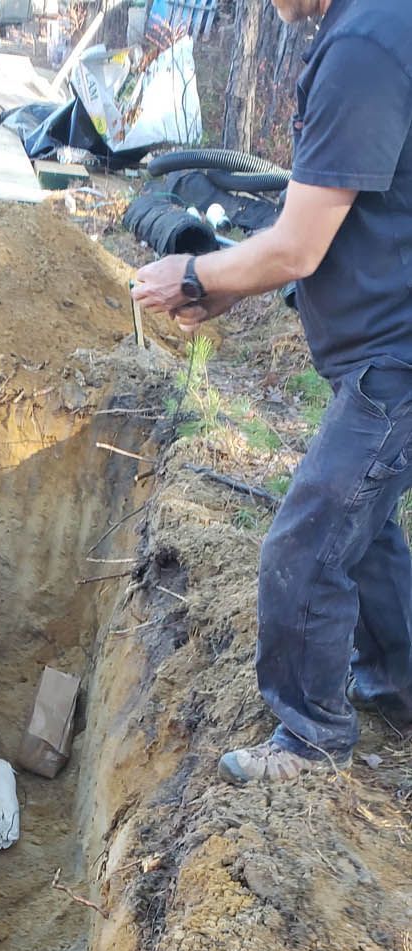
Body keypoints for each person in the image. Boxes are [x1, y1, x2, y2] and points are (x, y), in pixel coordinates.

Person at [131, 0, 412, 785]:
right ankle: (398, 683)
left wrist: (194, 274)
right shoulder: (373, 25)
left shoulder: (362, 46)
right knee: (361, 529)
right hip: (386, 350)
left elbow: (296, 246)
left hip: (395, 362)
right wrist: (228, 284)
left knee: (306, 544)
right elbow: (338, 212)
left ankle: (312, 737)